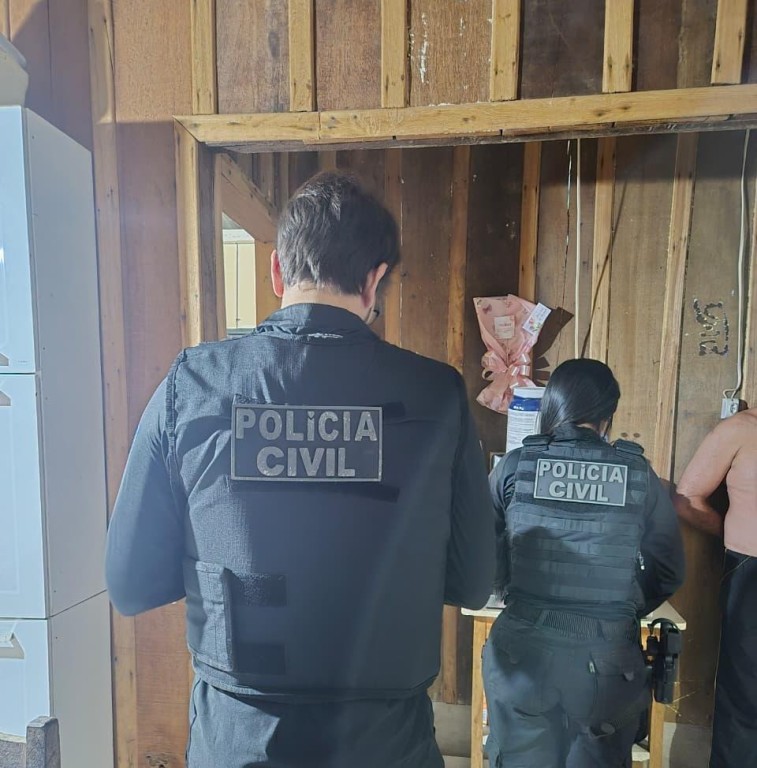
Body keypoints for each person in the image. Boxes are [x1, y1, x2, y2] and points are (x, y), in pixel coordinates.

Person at [105, 172, 495, 768]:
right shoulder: (437, 394)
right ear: (374, 279)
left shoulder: (194, 383)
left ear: (277, 271)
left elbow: (131, 585)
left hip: (239, 742)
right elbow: (473, 583)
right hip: (384, 744)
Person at [484, 358, 685, 768]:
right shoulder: (637, 474)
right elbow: (668, 570)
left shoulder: (516, 466)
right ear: (608, 416)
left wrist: (513, 591)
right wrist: (621, 609)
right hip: (607, 661)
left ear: (551, 407)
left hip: (523, 652)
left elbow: (483, 553)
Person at [674, 407, 757, 768]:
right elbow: (687, 499)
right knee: (745, 694)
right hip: (750, 569)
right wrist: (729, 531)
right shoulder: (741, 429)